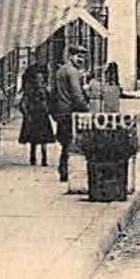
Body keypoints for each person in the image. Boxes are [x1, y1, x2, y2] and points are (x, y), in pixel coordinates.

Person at [51, 47, 91, 185]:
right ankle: (66, 171)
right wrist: (86, 108)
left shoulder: (61, 70)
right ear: (71, 56)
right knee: (70, 142)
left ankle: (63, 170)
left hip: (61, 111)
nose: (81, 60)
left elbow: (54, 92)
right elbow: (76, 95)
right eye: (78, 57)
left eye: (83, 58)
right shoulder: (73, 72)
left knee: (64, 141)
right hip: (70, 111)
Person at [18, 59, 55, 168]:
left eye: (42, 78)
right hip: (35, 116)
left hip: (41, 115)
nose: (41, 80)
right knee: (35, 139)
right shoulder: (32, 91)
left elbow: (50, 101)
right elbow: (24, 104)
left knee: (42, 139)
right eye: (39, 78)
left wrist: (49, 109)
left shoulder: (43, 90)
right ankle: (33, 157)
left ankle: (43, 159)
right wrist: (27, 114)